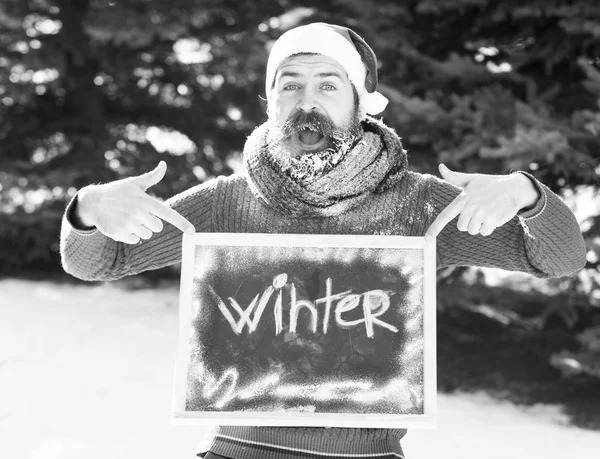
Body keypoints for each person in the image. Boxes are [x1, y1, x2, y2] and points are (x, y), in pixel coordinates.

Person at [60, 22, 586, 459]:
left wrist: (527, 194)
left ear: (362, 104)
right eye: (289, 84)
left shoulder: (420, 205)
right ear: (269, 101)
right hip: (234, 450)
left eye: (328, 85)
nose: (305, 101)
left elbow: (558, 258)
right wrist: (87, 208)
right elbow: (97, 262)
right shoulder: (224, 203)